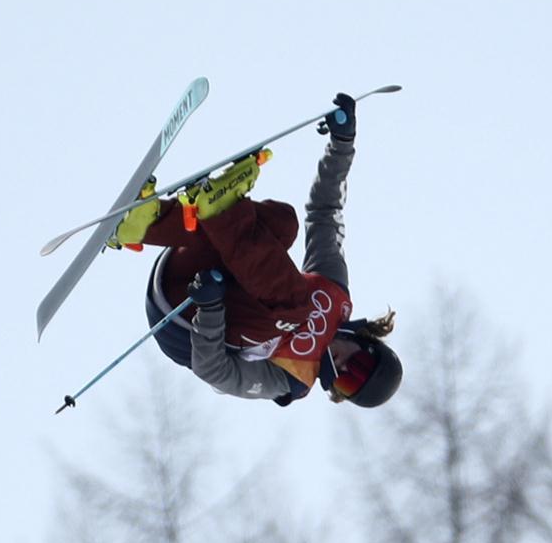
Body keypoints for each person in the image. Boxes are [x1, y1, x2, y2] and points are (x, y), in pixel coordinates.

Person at [107, 93, 402, 408]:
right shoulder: (335, 294)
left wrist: (210, 309)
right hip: (189, 268)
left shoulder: (292, 380)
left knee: (296, 308)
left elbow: (214, 370)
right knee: (283, 223)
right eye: (357, 369)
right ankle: (142, 225)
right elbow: (325, 212)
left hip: (183, 317)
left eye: (347, 383)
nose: (343, 368)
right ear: (368, 346)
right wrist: (341, 144)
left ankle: (222, 207)